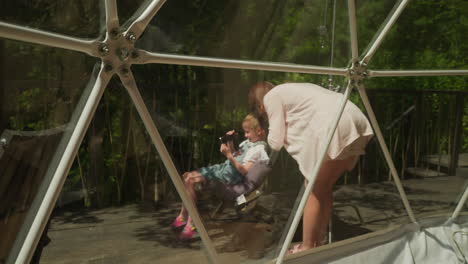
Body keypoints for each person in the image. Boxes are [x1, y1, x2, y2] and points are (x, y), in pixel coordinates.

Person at [248, 82, 374, 254]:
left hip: (337, 124)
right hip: (355, 118)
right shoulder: (295, 89)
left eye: (261, 112)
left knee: (313, 189)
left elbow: (276, 141)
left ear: (260, 105)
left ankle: (307, 246)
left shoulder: (272, 97)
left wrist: (265, 136)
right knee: (324, 188)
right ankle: (318, 242)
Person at [172, 114, 269, 240]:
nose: (245, 135)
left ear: (259, 131)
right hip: (223, 169)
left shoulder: (259, 150)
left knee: (190, 180)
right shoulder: (248, 142)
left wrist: (228, 155)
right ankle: (184, 216)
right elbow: (236, 155)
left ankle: (191, 221)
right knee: (186, 177)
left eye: (247, 132)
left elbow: (244, 170)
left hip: (228, 178)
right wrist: (229, 141)